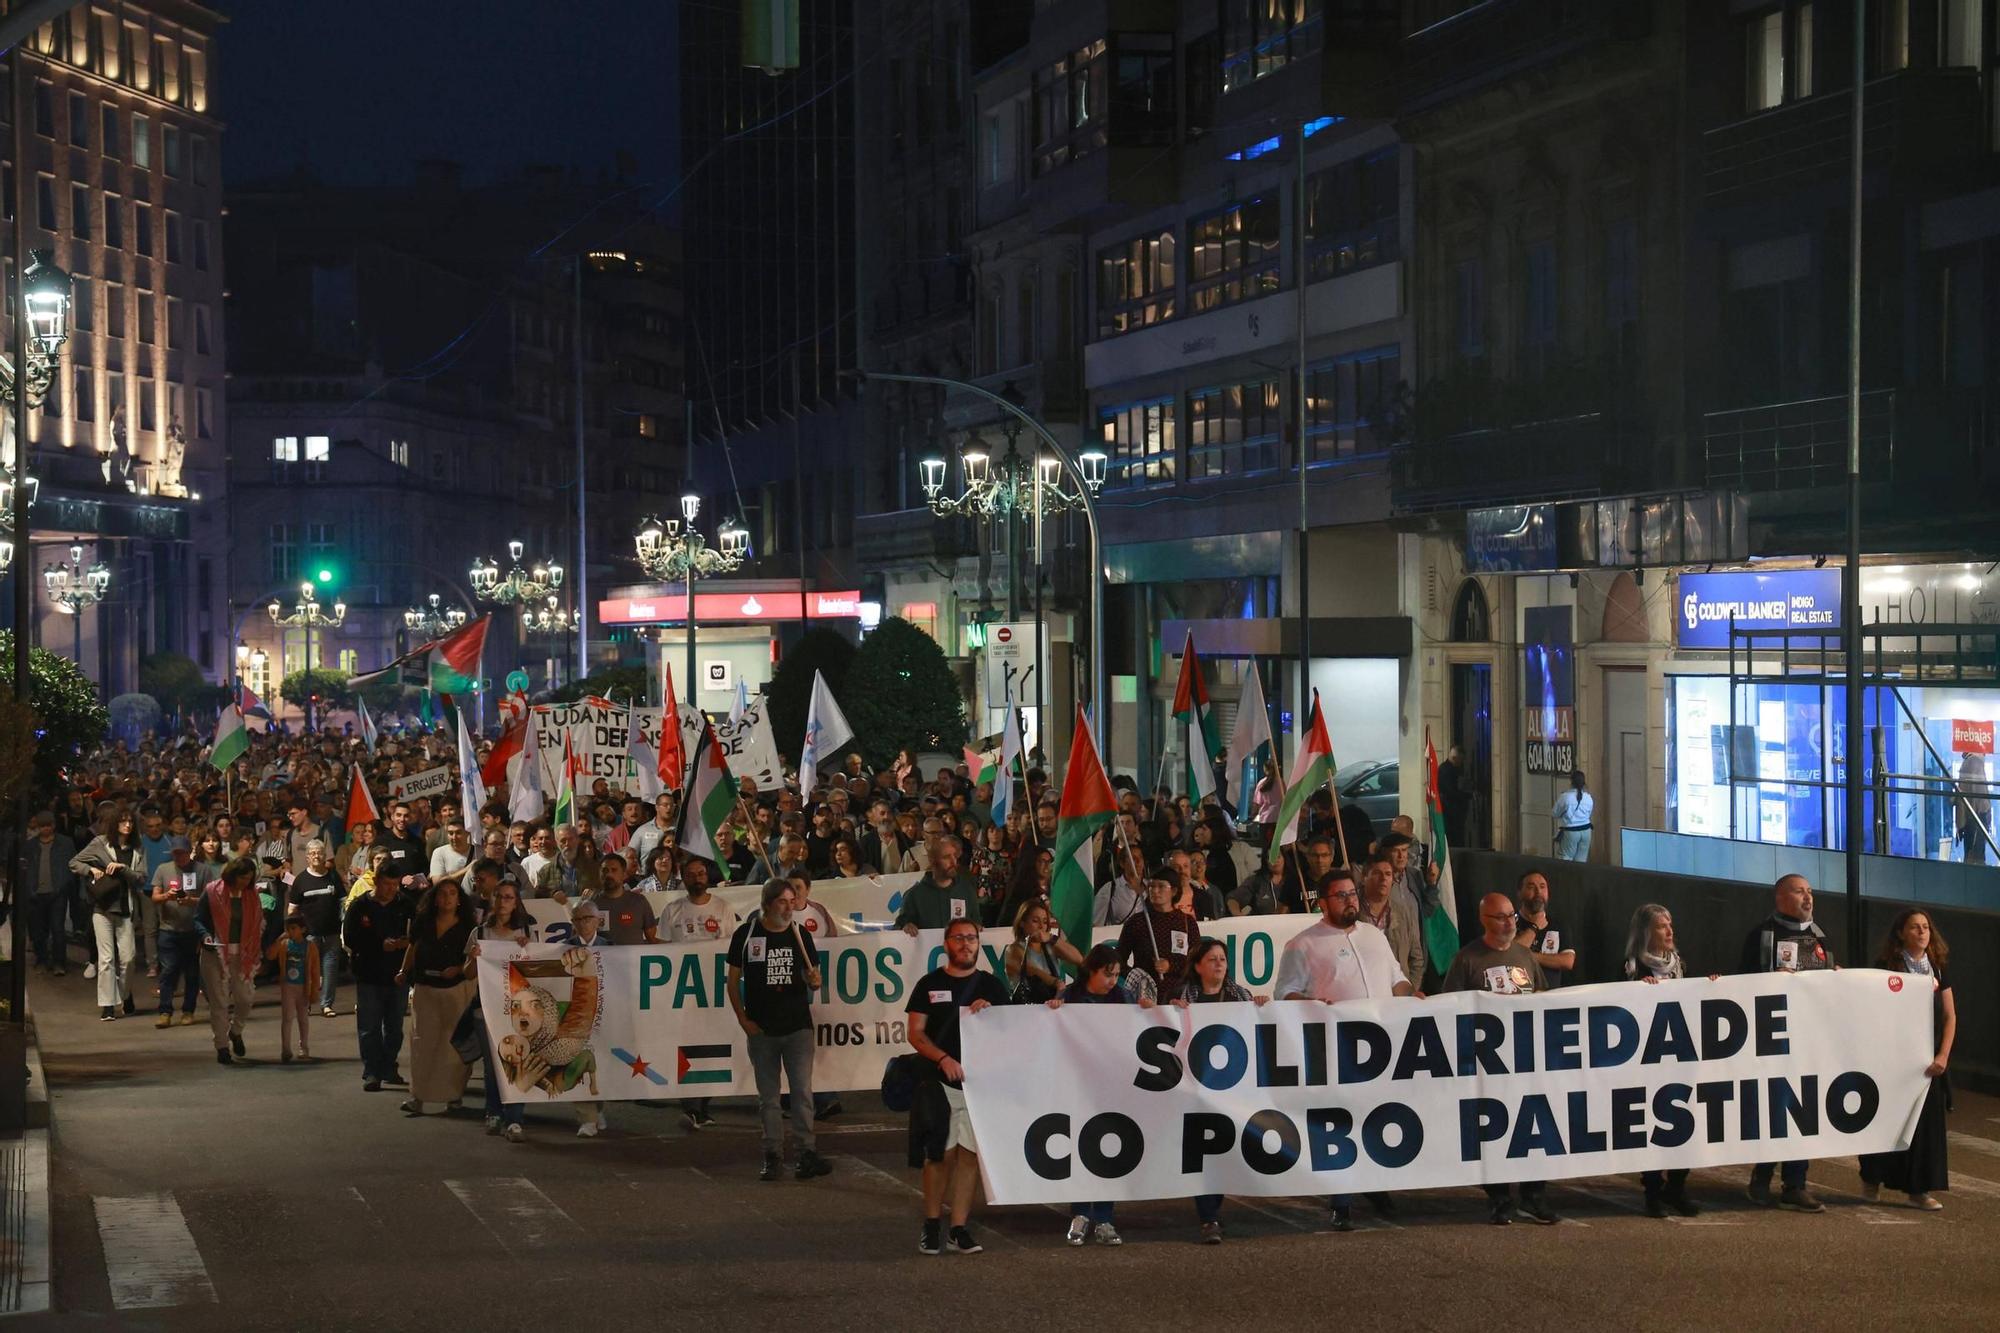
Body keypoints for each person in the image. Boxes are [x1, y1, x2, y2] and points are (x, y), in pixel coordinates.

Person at [1273, 866, 1414, 1230]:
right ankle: (1341, 1202)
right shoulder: (1302, 945)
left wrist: (1415, 999)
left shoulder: (1374, 936)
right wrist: (1313, 1005)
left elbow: (1397, 979)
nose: (1351, 900)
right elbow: (1284, 993)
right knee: (1341, 1124)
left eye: (1353, 894)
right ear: (1323, 903)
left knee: (1378, 1117)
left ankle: (1375, 1185)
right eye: (1342, 896)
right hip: (1336, 1049)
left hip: (1383, 1047)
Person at [1442, 893, 1558, 1225]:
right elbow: (1450, 1007)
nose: (1509, 922)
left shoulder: (1525, 956)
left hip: (1527, 1060)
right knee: (1493, 1131)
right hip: (1487, 1065)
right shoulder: (1467, 959)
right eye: (1501, 917)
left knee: (1534, 1127)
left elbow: (1542, 998)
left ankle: (1535, 1195)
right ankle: (1500, 1198)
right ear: (1484, 920)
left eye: (1511, 916)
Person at [906, 918, 1010, 1256]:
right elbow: (916, 1033)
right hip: (940, 1084)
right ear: (946, 943)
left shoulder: (993, 987)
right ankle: (932, 1224)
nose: (966, 944)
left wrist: (992, 1014)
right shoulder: (929, 984)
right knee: (939, 1156)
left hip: (980, 1088)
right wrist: (943, 1059)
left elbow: (1013, 1032)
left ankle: (959, 1228)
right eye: (958, 938)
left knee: (969, 1158)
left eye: (971, 938)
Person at [1737, 872, 1832, 1212]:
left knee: (1803, 1113)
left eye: (1810, 892)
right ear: (1779, 898)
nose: (1808, 898)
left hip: (1810, 1042)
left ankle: (1795, 1184)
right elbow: (1743, 986)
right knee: (1774, 1111)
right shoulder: (1763, 936)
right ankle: (1761, 1177)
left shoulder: (1820, 936)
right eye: (1799, 892)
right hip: (1773, 1041)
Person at [726, 880, 831, 1182]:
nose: (789, 907)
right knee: (769, 1098)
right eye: (782, 902)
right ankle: (772, 1154)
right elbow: (732, 982)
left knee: (802, 1094)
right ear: (768, 903)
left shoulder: (800, 935)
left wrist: (814, 981)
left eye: (792, 901)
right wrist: (742, 1019)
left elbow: (814, 979)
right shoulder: (746, 935)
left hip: (797, 1027)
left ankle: (806, 1153)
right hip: (762, 1030)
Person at [1047, 944, 1151, 1244]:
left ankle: (1104, 1218)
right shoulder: (1070, 996)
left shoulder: (1123, 997)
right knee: (1081, 1147)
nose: (1113, 981)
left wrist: (1146, 1012)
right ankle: (1080, 1214)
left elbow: (1138, 1029)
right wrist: (1053, 1010)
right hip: (1077, 1087)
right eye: (1108, 974)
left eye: (1117, 975)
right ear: (1091, 971)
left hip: (1111, 1087)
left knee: (1108, 1149)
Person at [1170, 936, 1267, 1242]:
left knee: (1224, 1148)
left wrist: (1261, 1007)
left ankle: (1212, 1212)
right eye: (1212, 959)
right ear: (1197, 966)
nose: (1219, 965)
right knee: (1204, 1151)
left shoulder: (1239, 994)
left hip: (1232, 1088)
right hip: (1197, 1087)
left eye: (1222, 959)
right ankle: (1208, 1217)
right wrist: (1171, 1010)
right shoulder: (1186, 995)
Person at [1859, 909, 1955, 1211]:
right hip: (1893, 1061)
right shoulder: (1886, 966)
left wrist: (1943, 1055)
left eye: (1926, 927)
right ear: (1901, 933)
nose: (1922, 932)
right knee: (1886, 1121)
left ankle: (1919, 1190)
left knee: (1925, 1128)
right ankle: (1871, 1178)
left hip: (1928, 1063)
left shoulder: (1937, 968)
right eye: (1914, 927)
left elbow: (1950, 1016)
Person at [1621, 903, 1700, 1217]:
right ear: (1645, 932)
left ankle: (1677, 1187)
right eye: (1661, 926)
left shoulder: (1678, 963)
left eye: (1670, 924)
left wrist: (1710, 986)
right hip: (1648, 1059)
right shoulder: (1631, 967)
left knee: (1683, 1122)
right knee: (1652, 1124)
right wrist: (1639, 993)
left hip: (1679, 1057)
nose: (1669, 931)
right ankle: (1652, 1191)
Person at [397, 878, 477, 1116]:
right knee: (422, 1042)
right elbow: (413, 947)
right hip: (426, 987)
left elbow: (472, 958)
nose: (447, 898)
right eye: (443, 894)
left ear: (459, 899)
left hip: (456, 988)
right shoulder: (424, 921)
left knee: (453, 1045)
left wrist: (458, 969)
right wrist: (403, 971)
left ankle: (454, 1096)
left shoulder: (467, 926)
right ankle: (418, 1096)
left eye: (452, 894)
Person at [344, 867, 414, 1092]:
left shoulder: (405, 905)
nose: (391, 890)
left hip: (397, 975)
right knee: (369, 1027)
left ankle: (388, 1066)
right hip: (369, 975)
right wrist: (378, 945)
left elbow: (417, 933)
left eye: (395, 885)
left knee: (395, 1027)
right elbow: (351, 938)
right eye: (386, 884)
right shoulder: (360, 906)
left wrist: (406, 943)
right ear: (376, 882)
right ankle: (372, 1071)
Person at [73, 813, 148, 1020]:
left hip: (126, 908)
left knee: (129, 958)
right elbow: (75, 863)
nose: (127, 825)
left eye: (131, 822)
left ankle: (125, 994)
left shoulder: (137, 848)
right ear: (114, 824)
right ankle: (107, 1005)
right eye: (123, 821)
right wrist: (92, 870)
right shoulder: (100, 843)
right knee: (106, 959)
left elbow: (141, 879)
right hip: (102, 907)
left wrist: (124, 869)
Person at [194, 857, 265, 1065]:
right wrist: (205, 935)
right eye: (243, 878)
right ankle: (222, 1046)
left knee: (245, 999)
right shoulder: (212, 891)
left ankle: (236, 1031)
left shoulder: (252, 895)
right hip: (215, 952)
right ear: (233, 874)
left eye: (249, 879)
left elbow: (258, 922)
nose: (245, 882)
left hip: (242, 954)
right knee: (219, 1002)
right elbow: (198, 918)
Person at [1115, 866, 1200, 1001]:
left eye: (1161, 886)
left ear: (1173, 891)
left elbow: (1196, 961)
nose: (1155, 891)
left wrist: (1170, 966)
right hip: (1144, 999)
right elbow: (1118, 959)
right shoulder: (1137, 922)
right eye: (1151, 886)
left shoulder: (1187, 923)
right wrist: (1137, 977)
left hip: (1180, 997)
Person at [286, 839, 345, 1017]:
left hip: (332, 932)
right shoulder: (301, 880)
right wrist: (293, 931)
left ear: (325, 856)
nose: (316, 856)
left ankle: (327, 1004)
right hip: (309, 935)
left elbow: (343, 902)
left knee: (330, 971)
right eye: (312, 853)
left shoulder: (333, 877)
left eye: (319, 853)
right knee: (308, 972)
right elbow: (292, 908)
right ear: (307, 857)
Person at [149, 842, 204, 1027]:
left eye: (182, 853)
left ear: (190, 853)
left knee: (192, 973)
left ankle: (188, 1011)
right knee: (168, 970)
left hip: (192, 929)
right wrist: (167, 896)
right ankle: (165, 1011)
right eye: (175, 854)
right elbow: (155, 897)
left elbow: (210, 898)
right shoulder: (163, 869)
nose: (178, 857)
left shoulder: (202, 870)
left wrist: (191, 901)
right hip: (168, 928)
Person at [1358, 851, 1426, 993]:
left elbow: (1417, 959)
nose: (1383, 879)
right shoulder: (1353, 914)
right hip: (1364, 995)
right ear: (1364, 878)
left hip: (1400, 998)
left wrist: (1409, 993)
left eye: (1388, 874)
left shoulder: (1404, 913)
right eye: (1377, 873)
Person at [23, 813, 77, 975]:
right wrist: (29, 889)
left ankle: (59, 962)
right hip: (36, 893)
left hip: (57, 893)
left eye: (48, 825)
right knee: (39, 930)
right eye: (42, 825)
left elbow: (72, 866)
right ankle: (42, 959)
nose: (46, 828)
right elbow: (25, 869)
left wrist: (63, 886)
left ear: (53, 825)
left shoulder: (65, 843)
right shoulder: (30, 845)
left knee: (58, 928)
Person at [264, 909, 320, 1063]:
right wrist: (278, 939)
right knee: (287, 1018)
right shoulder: (284, 944)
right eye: (288, 929)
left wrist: (314, 989)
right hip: (288, 986)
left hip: (303, 986)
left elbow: (315, 970)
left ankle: (304, 1046)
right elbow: (270, 955)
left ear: (302, 929)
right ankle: (286, 1048)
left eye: (294, 928)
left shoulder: (310, 947)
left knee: (303, 1018)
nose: (290, 932)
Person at [1002, 900, 1082, 1004]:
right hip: (1027, 1009)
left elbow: (1078, 959)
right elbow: (1031, 971)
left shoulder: (1050, 946)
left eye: (1044, 922)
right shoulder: (1013, 949)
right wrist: (1056, 982)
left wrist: (1052, 938)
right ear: (1022, 923)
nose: (1041, 926)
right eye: (1035, 921)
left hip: (1052, 1005)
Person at [1512, 869, 1576, 987]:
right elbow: (1512, 956)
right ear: (1519, 892)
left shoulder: (1558, 924)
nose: (1538, 892)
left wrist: (1530, 956)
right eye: (1531, 887)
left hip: (1550, 999)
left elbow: (1568, 961)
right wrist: (1534, 927)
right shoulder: (1509, 921)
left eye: (1542, 887)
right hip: (1519, 996)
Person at [590, 854, 659, 945]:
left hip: (635, 958)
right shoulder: (591, 905)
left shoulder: (639, 902)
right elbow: (583, 940)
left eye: (614, 870)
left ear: (623, 874)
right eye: (605, 870)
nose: (609, 874)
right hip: (603, 958)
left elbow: (652, 939)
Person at [1552, 770, 1593, 860]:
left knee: (1565, 858)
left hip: (1571, 831)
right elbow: (1589, 814)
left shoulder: (1565, 797)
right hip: (1586, 831)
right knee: (1581, 860)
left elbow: (1554, 813)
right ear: (1583, 783)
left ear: (1571, 781)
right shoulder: (1588, 797)